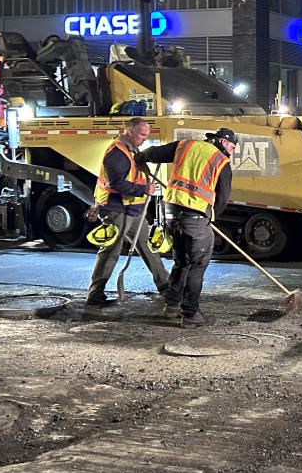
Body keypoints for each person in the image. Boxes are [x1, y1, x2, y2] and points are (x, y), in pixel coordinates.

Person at [136, 128, 237, 327]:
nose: (232, 152)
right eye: (232, 147)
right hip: (196, 217)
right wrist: (211, 217)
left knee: (181, 261)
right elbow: (223, 199)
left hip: (171, 213)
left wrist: (140, 158)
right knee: (197, 265)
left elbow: (153, 153)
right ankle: (191, 314)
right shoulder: (221, 162)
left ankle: (172, 305)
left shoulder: (185, 145)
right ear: (223, 142)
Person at [85, 117, 169, 307]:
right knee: (110, 252)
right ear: (129, 132)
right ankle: (95, 295)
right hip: (117, 210)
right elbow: (116, 183)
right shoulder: (117, 153)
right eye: (142, 135)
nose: (144, 139)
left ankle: (167, 287)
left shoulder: (132, 150)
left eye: (146, 135)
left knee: (148, 248)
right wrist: (143, 190)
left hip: (134, 209)